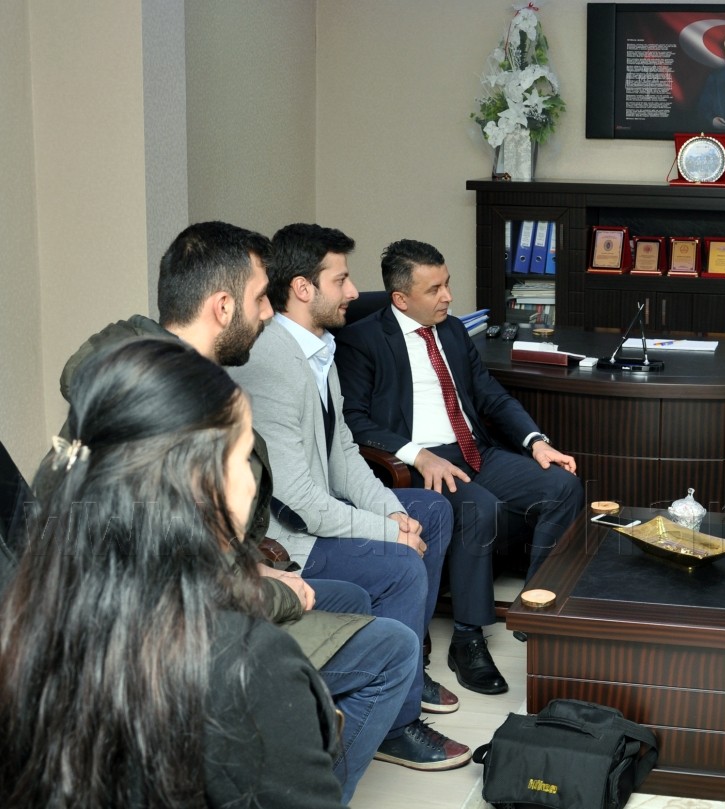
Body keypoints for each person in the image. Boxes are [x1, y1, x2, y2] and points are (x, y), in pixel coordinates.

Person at [58, 222, 442, 798]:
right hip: (174, 644)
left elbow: (189, 542)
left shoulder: (152, 381)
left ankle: (296, 746)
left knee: (354, 600)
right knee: (392, 646)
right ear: (222, 306)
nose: (269, 313)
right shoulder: (172, 409)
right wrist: (274, 587)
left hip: (193, 600)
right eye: (262, 298)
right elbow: (169, 582)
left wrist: (256, 565)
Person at [1, 338, 348, 808]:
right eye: (242, 457)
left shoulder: (25, 629)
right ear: (198, 481)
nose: (251, 482)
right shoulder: (245, 664)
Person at [224, 222, 471, 773]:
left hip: (321, 510)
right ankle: (397, 724)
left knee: (430, 511)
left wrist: (394, 513)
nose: (355, 292)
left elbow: (344, 455)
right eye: (341, 280)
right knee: (401, 565)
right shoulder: (271, 362)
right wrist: (389, 533)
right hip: (290, 538)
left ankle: (407, 668)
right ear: (303, 288)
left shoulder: (319, 349)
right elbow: (297, 498)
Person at [335, 239, 583, 693]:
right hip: (417, 462)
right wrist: (416, 453)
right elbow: (353, 419)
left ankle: (535, 608)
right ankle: (468, 637)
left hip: (473, 450)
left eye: (446, 284)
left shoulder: (450, 331)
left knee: (561, 486)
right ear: (401, 298)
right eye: (434, 290)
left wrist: (536, 442)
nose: (448, 297)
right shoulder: (362, 340)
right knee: (477, 508)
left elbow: (491, 395)